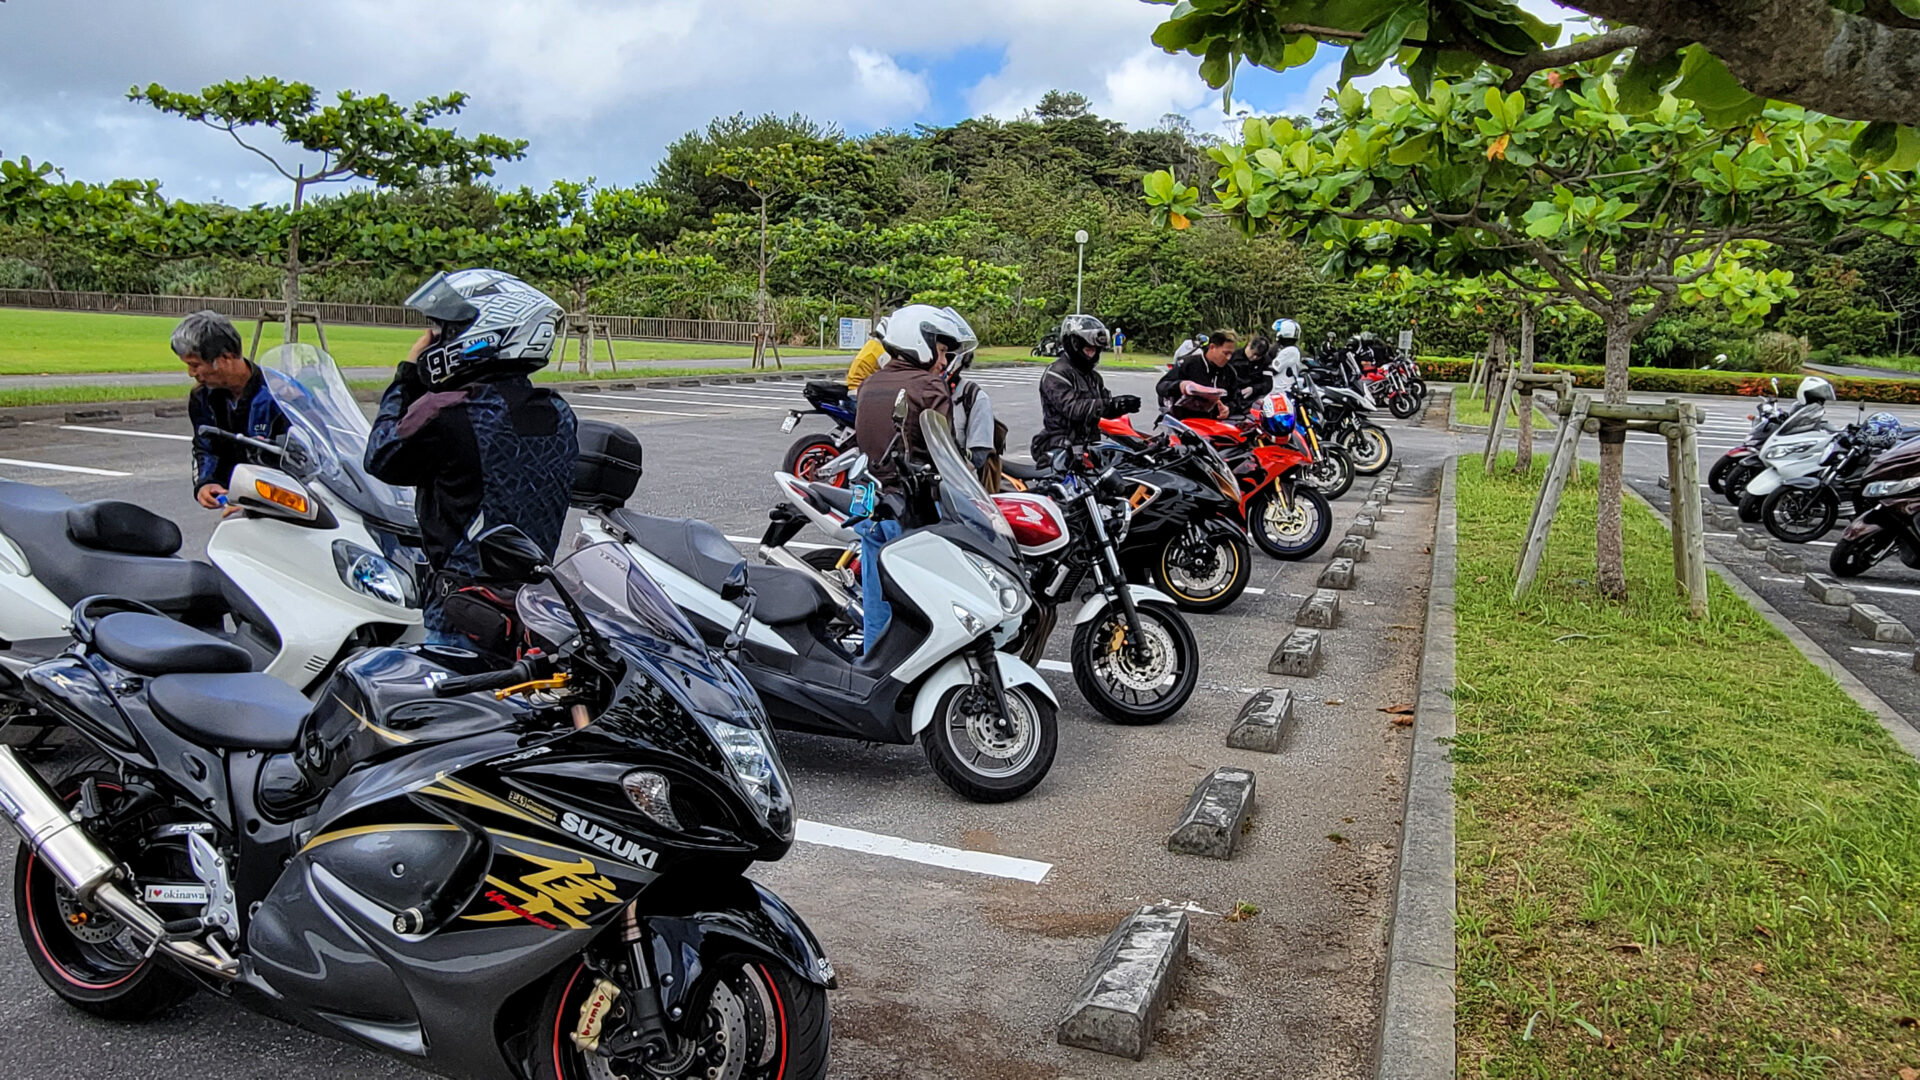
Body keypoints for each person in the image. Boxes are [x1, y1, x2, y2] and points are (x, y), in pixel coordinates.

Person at [364, 269, 578, 650]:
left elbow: (381, 455)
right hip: (533, 609)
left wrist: (407, 376)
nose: (434, 341)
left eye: (446, 331)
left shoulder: (446, 411)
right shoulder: (558, 414)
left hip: (460, 614)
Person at [850, 305, 968, 650]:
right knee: (922, 607)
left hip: (869, 504)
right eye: (943, 351)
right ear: (922, 342)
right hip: (910, 509)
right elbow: (946, 453)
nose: (944, 361)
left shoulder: (870, 383)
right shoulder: (928, 385)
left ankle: (873, 668)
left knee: (876, 604)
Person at [176, 309, 288, 509]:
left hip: (283, 502)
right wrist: (206, 482)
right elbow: (205, 446)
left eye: (195, 365)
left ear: (226, 357)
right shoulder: (201, 396)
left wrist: (255, 498)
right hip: (234, 504)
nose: (191, 373)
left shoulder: (283, 394)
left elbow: (306, 459)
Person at [1032, 314, 1139, 462]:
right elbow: (1073, 408)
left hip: (1089, 445)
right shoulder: (1056, 374)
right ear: (1074, 344)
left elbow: (1103, 410)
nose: (1092, 353)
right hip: (1062, 447)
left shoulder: (1093, 377)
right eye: (1088, 349)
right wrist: (1109, 403)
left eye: (1095, 349)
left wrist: (1121, 406)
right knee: (1071, 483)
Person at [944, 342, 1004, 490]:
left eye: (943, 353)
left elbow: (978, 455)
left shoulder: (973, 397)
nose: (940, 361)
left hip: (960, 489)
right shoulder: (921, 392)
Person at [1158, 330, 1241, 420]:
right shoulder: (1188, 364)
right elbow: (1161, 387)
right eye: (1225, 353)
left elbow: (1236, 400)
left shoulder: (1230, 372)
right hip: (1182, 421)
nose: (1228, 358)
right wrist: (1180, 385)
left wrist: (1228, 409)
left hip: (1212, 424)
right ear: (1212, 347)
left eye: (1231, 354)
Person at [844, 317, 888, 392]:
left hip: (856, 387)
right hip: (861, 390)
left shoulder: (872, 344)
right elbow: (891, 371)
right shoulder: (880, 350)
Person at [1270, 318, 1305, 393]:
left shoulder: (1290, 351)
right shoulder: (1290, 349)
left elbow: (1273, 369)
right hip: (1280, 390)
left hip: (1281, 391)